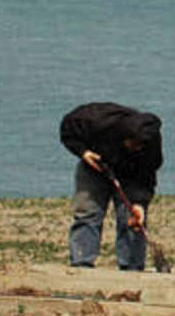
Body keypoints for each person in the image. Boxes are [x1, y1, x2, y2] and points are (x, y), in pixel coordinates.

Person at [60, 103, 163, 271]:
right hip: (94, 166)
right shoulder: (97, 119)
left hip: (130, 175)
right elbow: (67, 128)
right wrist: (83, 152)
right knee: (87, 214)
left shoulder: (151, 143)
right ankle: (81, 264)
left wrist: (139, 203)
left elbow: (147, 174)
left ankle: (132, 267)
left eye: (139, 147)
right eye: (132, 144)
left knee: (132, 220)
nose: (135, 148)